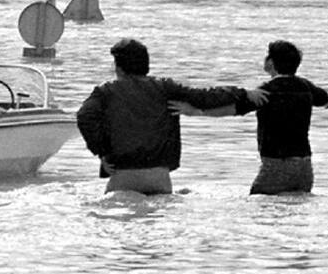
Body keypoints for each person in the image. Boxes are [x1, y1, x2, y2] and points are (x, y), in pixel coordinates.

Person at [75, 38, 266, 195]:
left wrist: (101, 151)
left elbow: (84, 117)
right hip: (159, 177)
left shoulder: (105, 92)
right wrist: (242, 93)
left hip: (123, 175)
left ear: (118, 67)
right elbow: (204, 97)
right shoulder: (165, 88)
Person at [170, 39, 328, 195]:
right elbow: (324, 98)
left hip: (276, 166)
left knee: (261, 213)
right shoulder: (306, 86)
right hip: (305, 169)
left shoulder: (266, 91)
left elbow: (232, 109)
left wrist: (195, 112)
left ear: (270, 63)